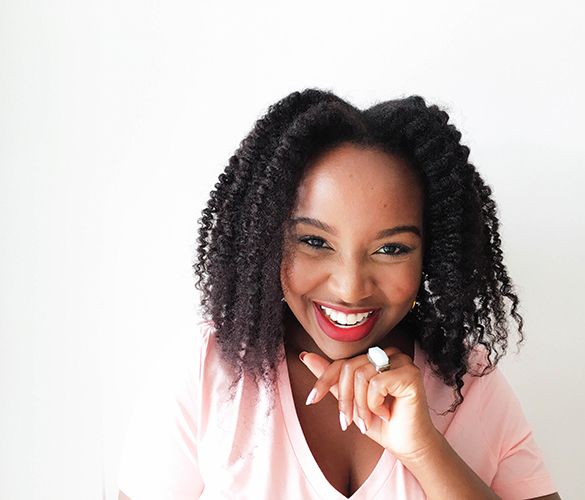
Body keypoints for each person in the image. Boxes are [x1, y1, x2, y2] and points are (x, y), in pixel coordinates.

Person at [117, 89, 561, 499]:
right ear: (267, 239)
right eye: (314, 242)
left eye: (390, 249)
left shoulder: (469, 384)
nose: (350, 288)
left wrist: (425, 449)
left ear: (433, 253)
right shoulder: (207, 372)